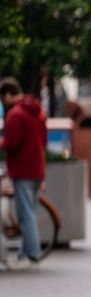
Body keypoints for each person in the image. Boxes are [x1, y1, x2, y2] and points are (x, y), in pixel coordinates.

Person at [0, 78, 48, 269]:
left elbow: (11, 143)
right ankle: (24, 252)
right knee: (31, 212)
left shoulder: (16, 115)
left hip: (22, 169)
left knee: (25, 214)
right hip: (37, 168)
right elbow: (43, 139)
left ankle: (33, 253)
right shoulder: (37, 110)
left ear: (8, 94)